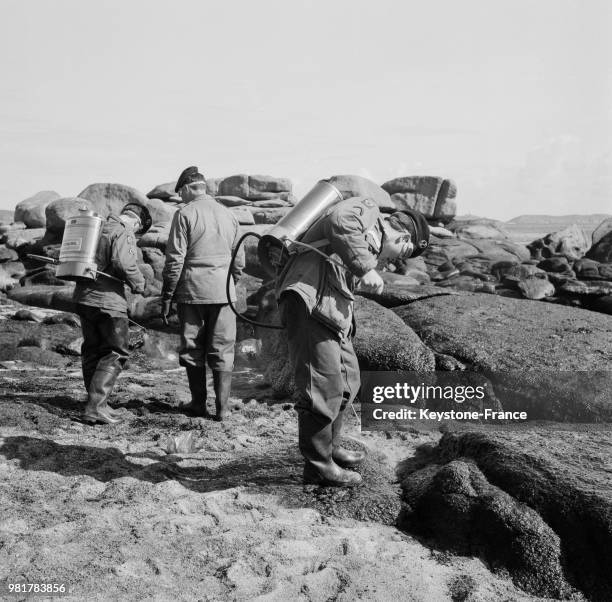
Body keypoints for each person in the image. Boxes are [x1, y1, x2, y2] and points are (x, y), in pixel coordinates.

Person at [275, 195, 430, 486]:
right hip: (308, 302)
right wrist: (365, 268)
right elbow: (340, 221)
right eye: (402, 252)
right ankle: (319, 466)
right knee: (322, 388)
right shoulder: (367, 210)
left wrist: (365, 266)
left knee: (348, 382)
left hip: (331, 314)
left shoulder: (367, 242)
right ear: (405, 236)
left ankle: (331, 447)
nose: (394, 260)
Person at [161, 166, 244, 421]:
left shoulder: (184, 214)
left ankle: (198, 404)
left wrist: (167, 295)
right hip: (225, 293)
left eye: (181, 193)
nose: (180, 198)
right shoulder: (228, 214)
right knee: (223, 350)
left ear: (187, 188)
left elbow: (175, 259)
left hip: (193, 292)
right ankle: (223, 409)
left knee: (192, 348)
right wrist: (231, 282)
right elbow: (239, 259)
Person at [74, 202, 152, 425]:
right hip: (108, 302)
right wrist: (139, 283)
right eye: (138, 231)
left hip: (83, 297)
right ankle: (96, 407)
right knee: (116, 352)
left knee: (92, 350)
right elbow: (123, 263)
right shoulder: (123, 230)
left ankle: (96, 403)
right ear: (137, 223)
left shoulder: (97, 227)